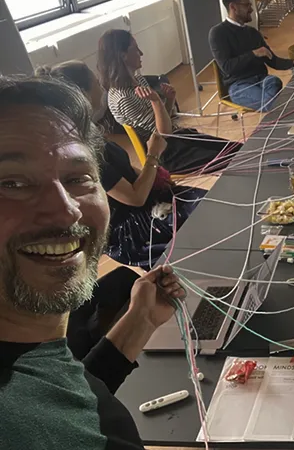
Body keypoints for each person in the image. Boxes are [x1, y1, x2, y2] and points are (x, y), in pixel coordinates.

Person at [0, 75, 185, 449]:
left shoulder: (29, 355)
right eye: (12, 183)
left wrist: (140, 322)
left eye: (77, 178)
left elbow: (57, 393)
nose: (65, 212)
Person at [38, 61, 207, 268]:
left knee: (208, 205)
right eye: (95, 81)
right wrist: (153, 156)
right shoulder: (81, 149)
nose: (101, 85)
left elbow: (124, 170)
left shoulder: (88, 130)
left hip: (145, 201)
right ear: (81, 94)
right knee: (202, 224)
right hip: (129, 229)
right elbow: (134, 198)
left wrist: (152, 175)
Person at [99, 29, 242, 174]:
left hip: (176, 137)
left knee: (239, 149)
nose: (141, 53)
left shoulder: (137, 79)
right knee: (233, 160)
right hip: (166, 154)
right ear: (123, 56)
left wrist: (169, 99)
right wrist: (156, 101)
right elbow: (163, 133)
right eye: (135, 49)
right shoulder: (123, 98)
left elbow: (162, 122)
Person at [209, 0, 294, 111]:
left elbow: (272, 60)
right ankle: (278, 108)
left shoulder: (252, 33)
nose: (251, 9)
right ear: (233, 7)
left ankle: (275, 108)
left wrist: (293, 63)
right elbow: (227, 67)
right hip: (239, 86)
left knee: (275, 81)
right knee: (276, 104)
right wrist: (254, 53)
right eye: (247, 5)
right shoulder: (218, 33)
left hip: (263, 80)